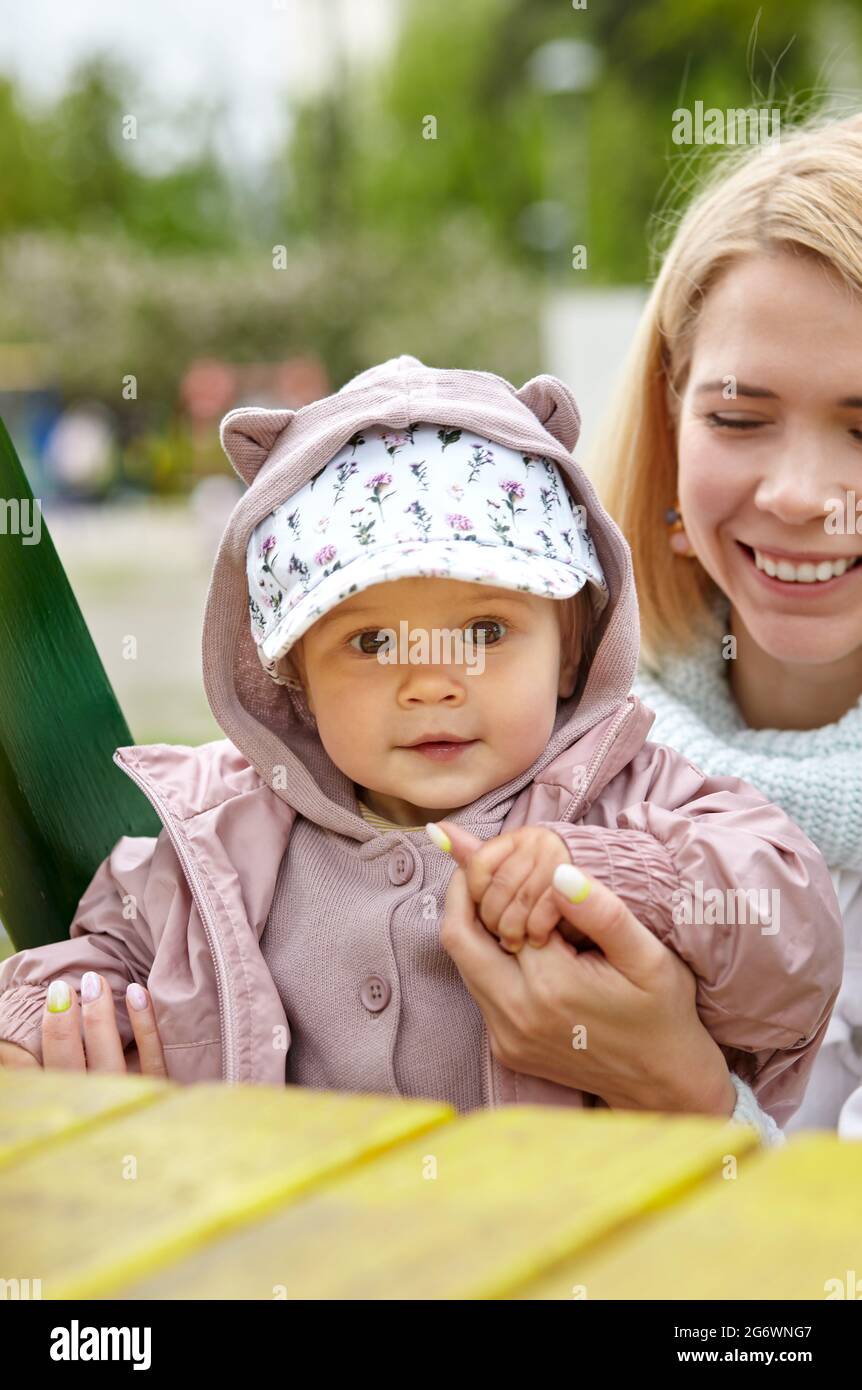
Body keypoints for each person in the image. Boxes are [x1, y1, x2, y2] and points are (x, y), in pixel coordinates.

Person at [0, 356, 844, 1145]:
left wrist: (624, 876)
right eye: (370, 644)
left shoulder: (637, 798)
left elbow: (790, 951)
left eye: (484, 630)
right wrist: (43, 1029)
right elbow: (105, 954)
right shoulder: (223, 838)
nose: (431, 683)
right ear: (292, 670)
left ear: (573, 644)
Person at [599, 112, 862, 1138]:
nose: (800, 495)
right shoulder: (537, 730)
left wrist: (686, 1091)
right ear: (670, 422)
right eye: (740, 419)